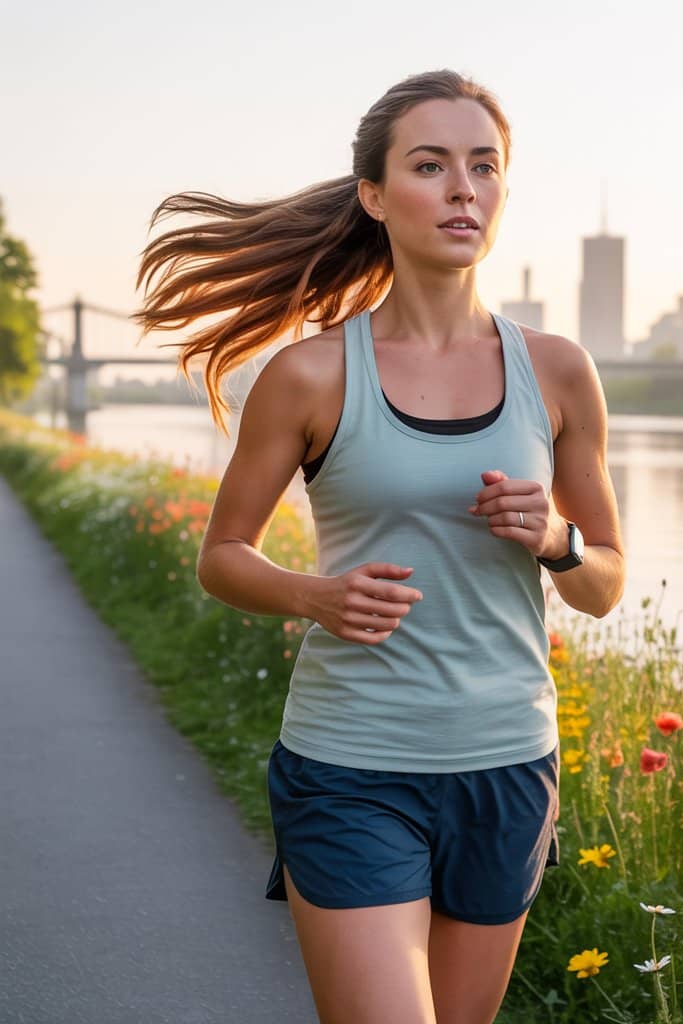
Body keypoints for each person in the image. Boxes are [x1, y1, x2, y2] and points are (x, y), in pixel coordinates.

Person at [135, 68, 625, 1024]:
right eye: (431, 165)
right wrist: (314, 595)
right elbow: (223, 555)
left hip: (508, 766)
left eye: (483, 167)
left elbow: (603, 584)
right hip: (353, 764)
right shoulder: (312, 373)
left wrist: (558, 540)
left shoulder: (559, 371)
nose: (462, 189)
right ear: (375, 195)